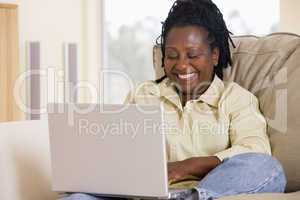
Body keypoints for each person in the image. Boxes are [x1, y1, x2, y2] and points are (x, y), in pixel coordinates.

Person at [64, 0, 286, 199]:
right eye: (171, 56)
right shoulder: (144, 95)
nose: (181, 65)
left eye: (192, 55)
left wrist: (186, 167)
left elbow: (255, 150)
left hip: (206, 190)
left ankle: (190, 198)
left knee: (267, 167)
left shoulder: (236, 99)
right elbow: (117, 153)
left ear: (215, 55)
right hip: (144, 193)